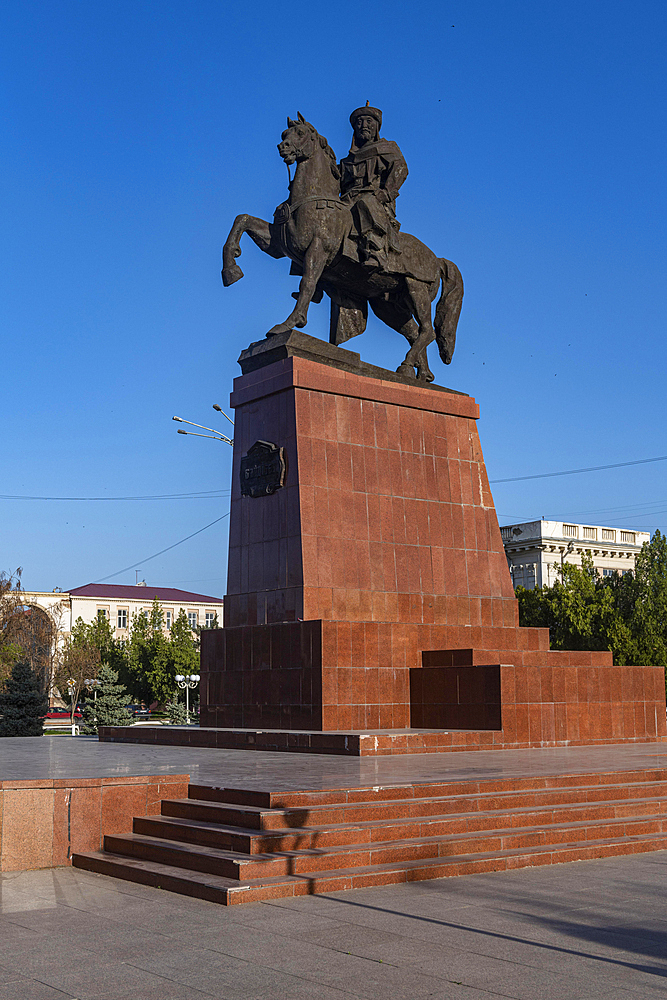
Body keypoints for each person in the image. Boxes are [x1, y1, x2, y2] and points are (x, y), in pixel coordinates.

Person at [339, 102, 408, 269]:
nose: (364, 126)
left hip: (375, 198)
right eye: (359, 122)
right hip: (348, 200)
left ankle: (376, 252)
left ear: (376, 126)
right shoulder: (347, 161)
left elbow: (401, 169)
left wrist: (387, 193)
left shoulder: (387, 148)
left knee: (365, 202)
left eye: (369, 121)